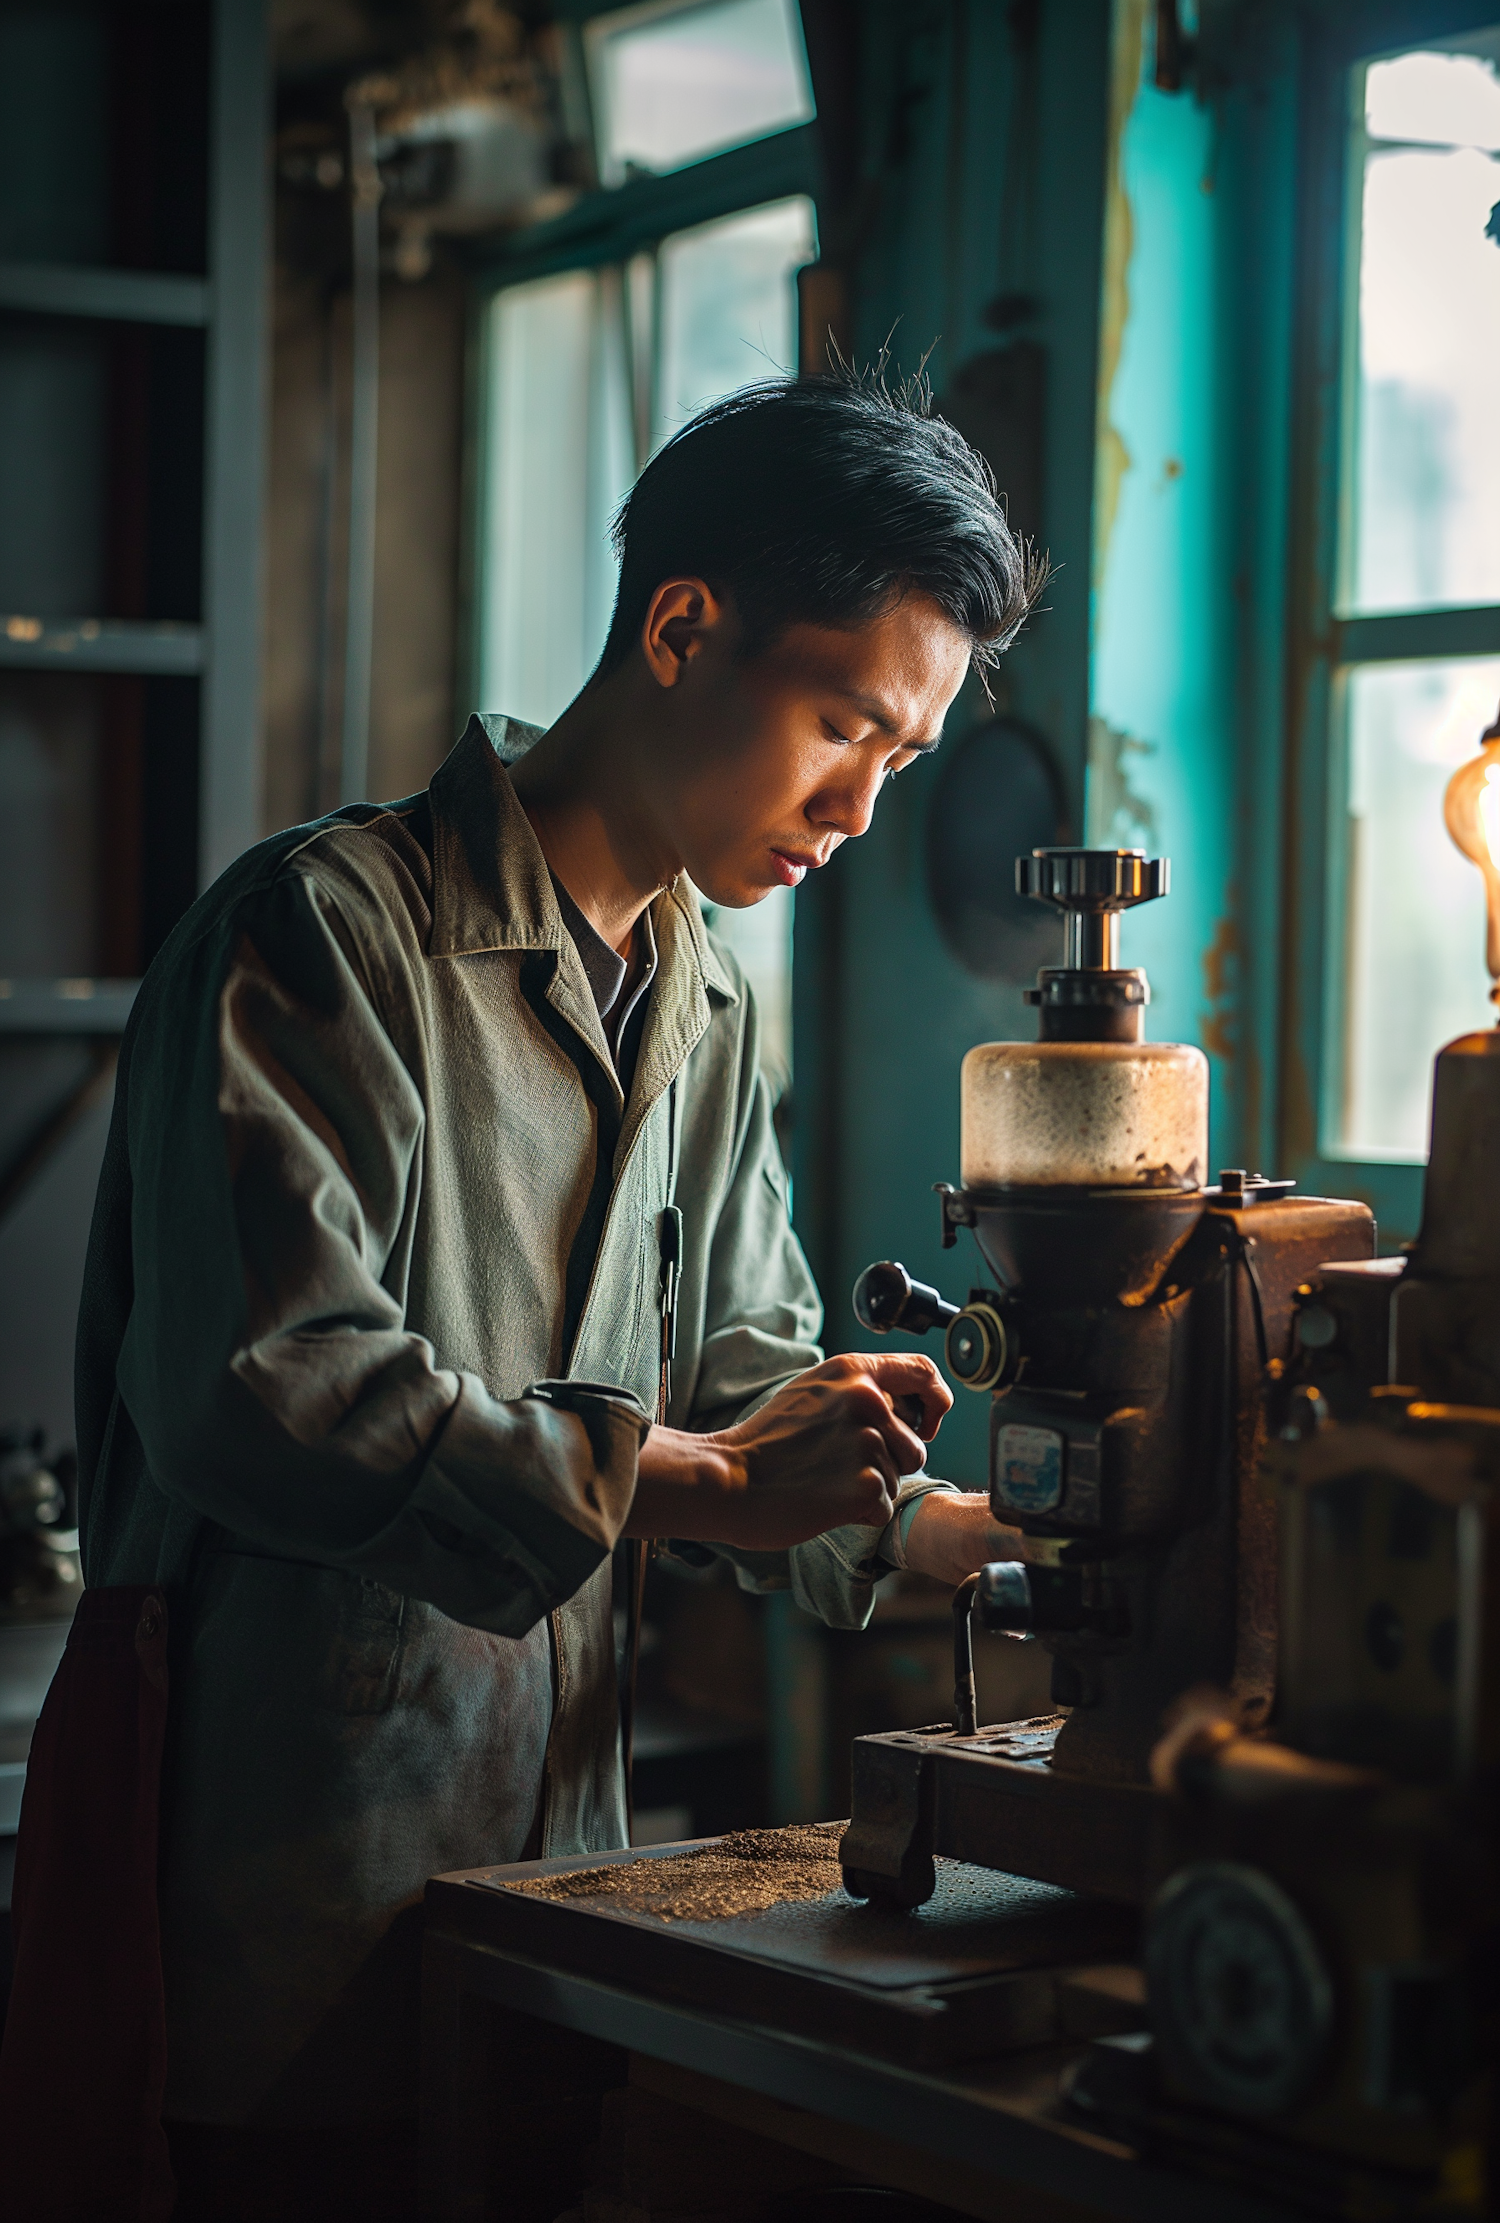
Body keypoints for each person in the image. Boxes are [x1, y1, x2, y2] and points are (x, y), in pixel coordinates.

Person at [57, 369, 1042, 2216]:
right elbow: (270, 1381)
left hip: (556, 1881)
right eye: (843, 723)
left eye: (899, 761)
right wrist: (699, 1480)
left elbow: (743, 1359)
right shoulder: (327, 933)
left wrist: (944, 1529)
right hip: (277, 1881)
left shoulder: (707, 994)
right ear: (684, 626)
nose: (860, 806)